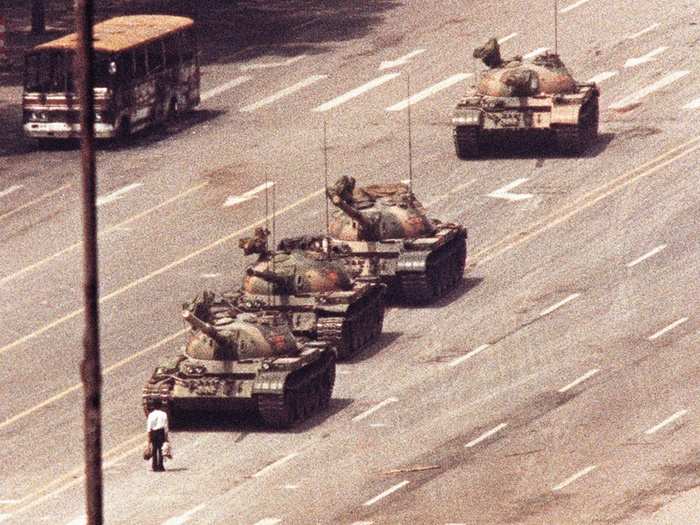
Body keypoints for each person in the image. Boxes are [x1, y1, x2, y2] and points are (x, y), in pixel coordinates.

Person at [146, 402, 169, 472]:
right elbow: (165, 426)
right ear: (161, 406)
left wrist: (148, 438)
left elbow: (149, 426)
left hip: (153, 432)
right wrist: (166, 437)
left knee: (154, 449)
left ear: (153, 406)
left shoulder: (151, 414)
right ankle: (161, 466)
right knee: (161, 449)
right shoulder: (164, 414)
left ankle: (154, 466)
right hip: (161, 432)